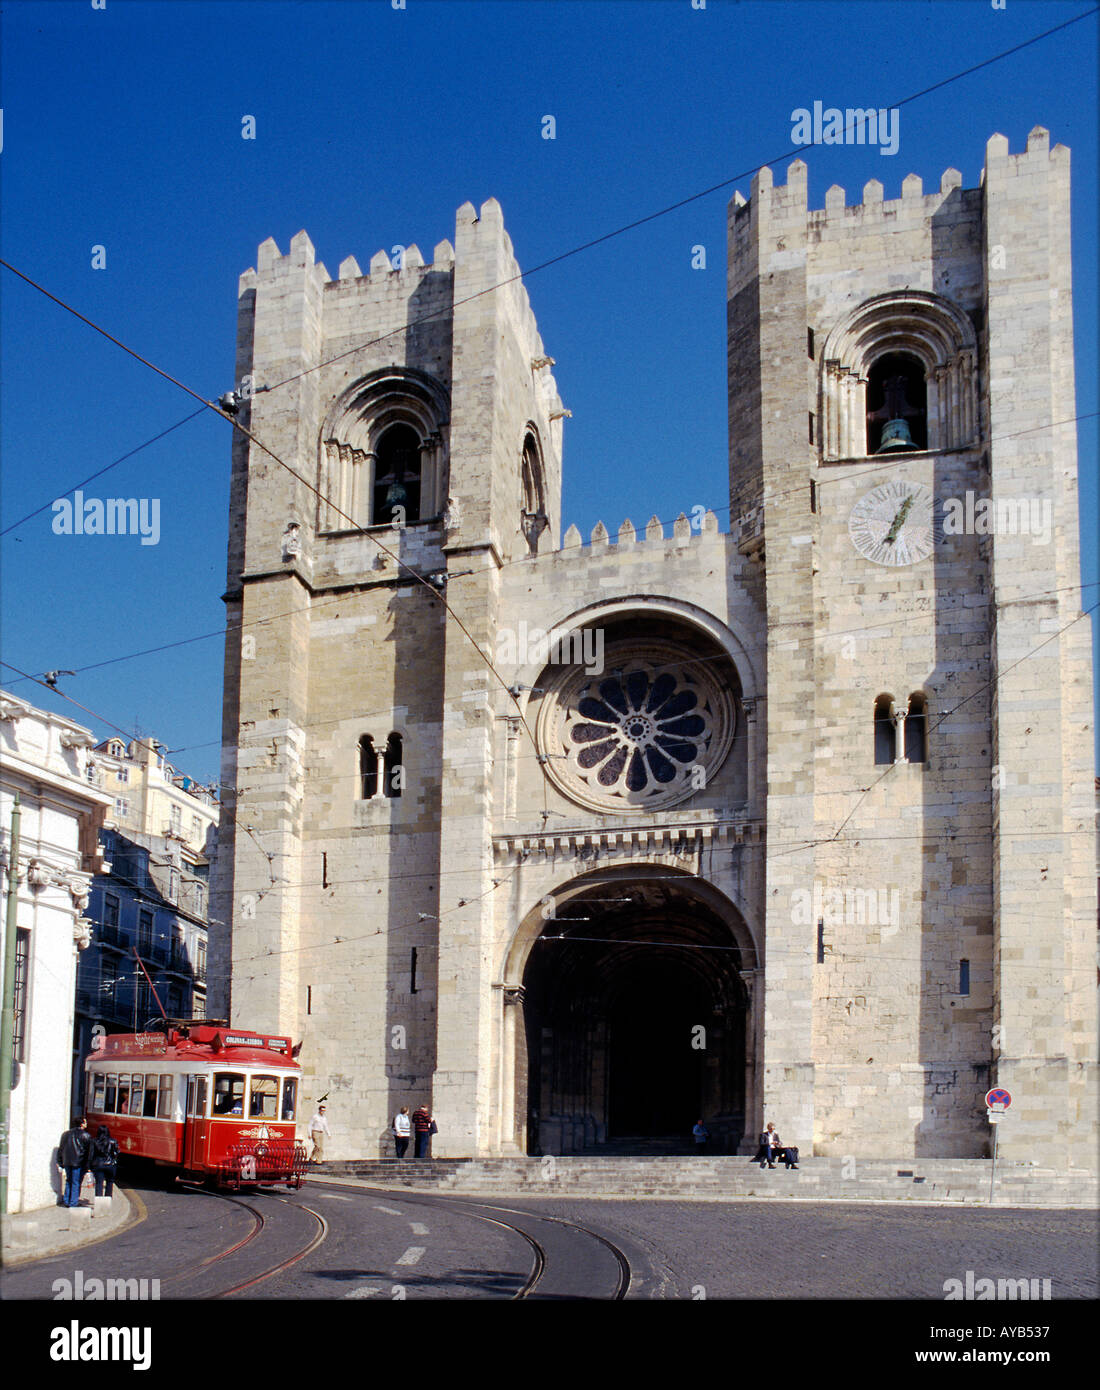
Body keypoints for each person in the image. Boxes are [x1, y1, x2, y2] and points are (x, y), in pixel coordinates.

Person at [58, 1116, 92, 1207]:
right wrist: (88, 1166)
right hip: (79, 1162)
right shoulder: (86, 1135)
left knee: (69, 1180)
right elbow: (88, 1152)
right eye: (85, 1122)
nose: (86, 1124)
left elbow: (61, 1149)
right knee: (76, 1182)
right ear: (81, 1124)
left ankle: (66, 1201)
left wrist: (60, 1162)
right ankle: (73, 1202)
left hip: (67, 1161)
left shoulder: (65, 1134)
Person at [90, 1123, 120, 1198]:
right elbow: (116, 1153)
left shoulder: (94, 1141)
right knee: (109, 1183)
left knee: (99, 1183)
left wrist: (89, 1166)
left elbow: (91, 1154)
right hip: (110, 1165)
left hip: (98, 1164)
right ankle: (107, 1202)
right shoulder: (113, 1141)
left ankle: (99, 1202)